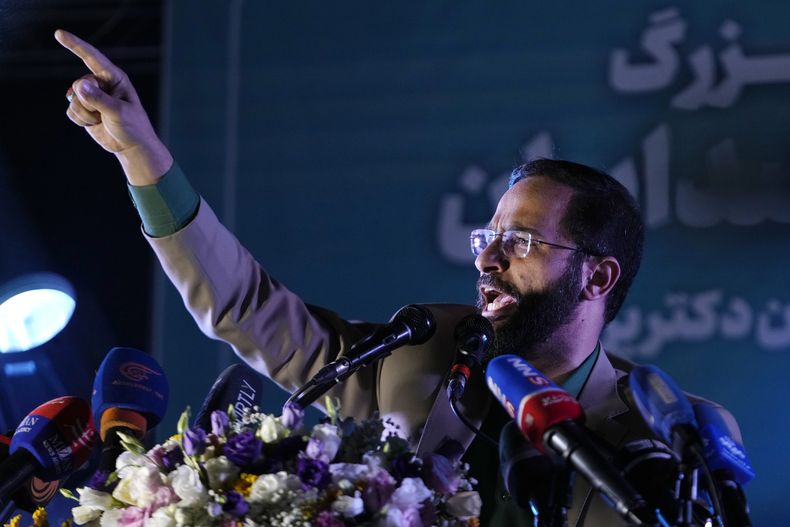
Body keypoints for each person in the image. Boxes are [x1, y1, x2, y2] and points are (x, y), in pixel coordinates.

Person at [55, 29, 745, 525]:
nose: (486, 258)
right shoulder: (418, 348)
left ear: (597, 278)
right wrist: (142, 157)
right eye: (488, 237)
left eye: (520, 241)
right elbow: (244, 304)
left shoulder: (655, 438)